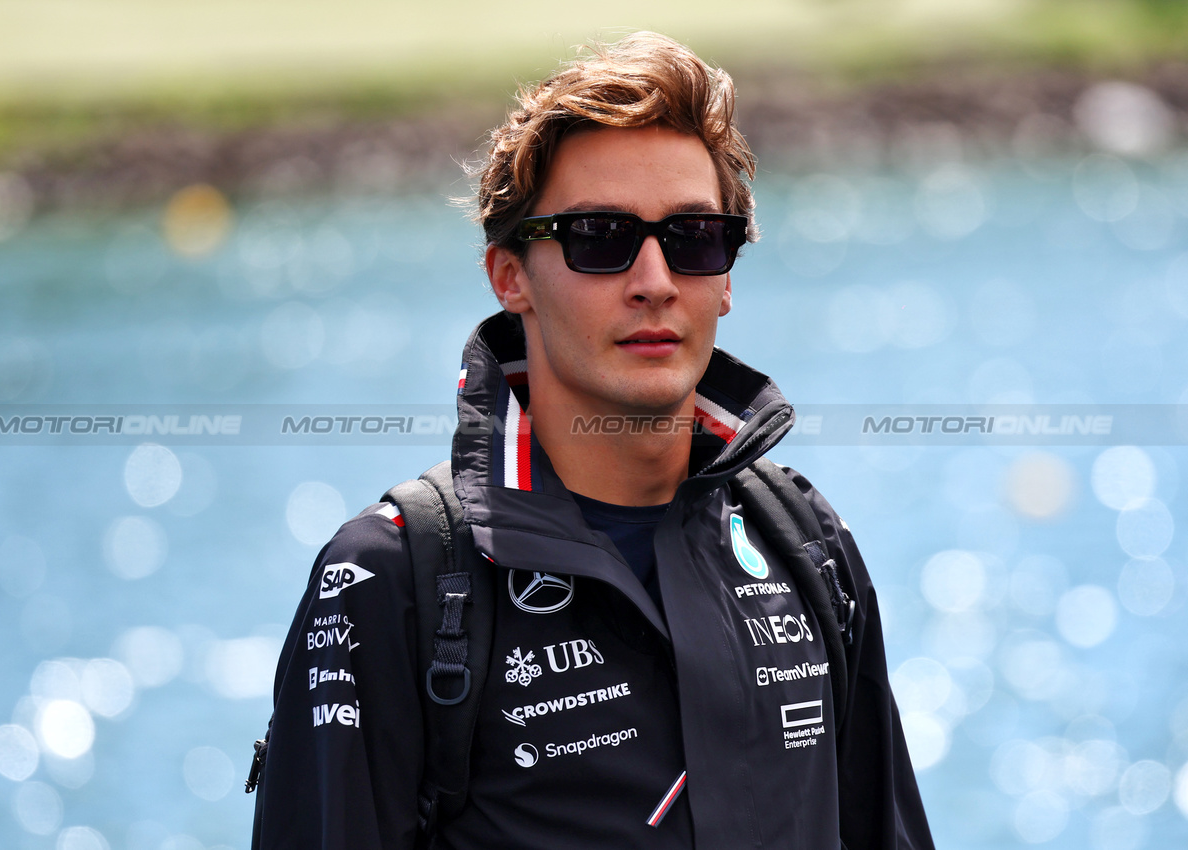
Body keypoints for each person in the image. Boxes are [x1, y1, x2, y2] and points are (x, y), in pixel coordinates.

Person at [256, 31, 935, 850]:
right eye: (599, 237)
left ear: (724, 278)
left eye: (692, 238)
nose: (653, 281)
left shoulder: (804, 540)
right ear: (510, 276)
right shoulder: (391, 578)